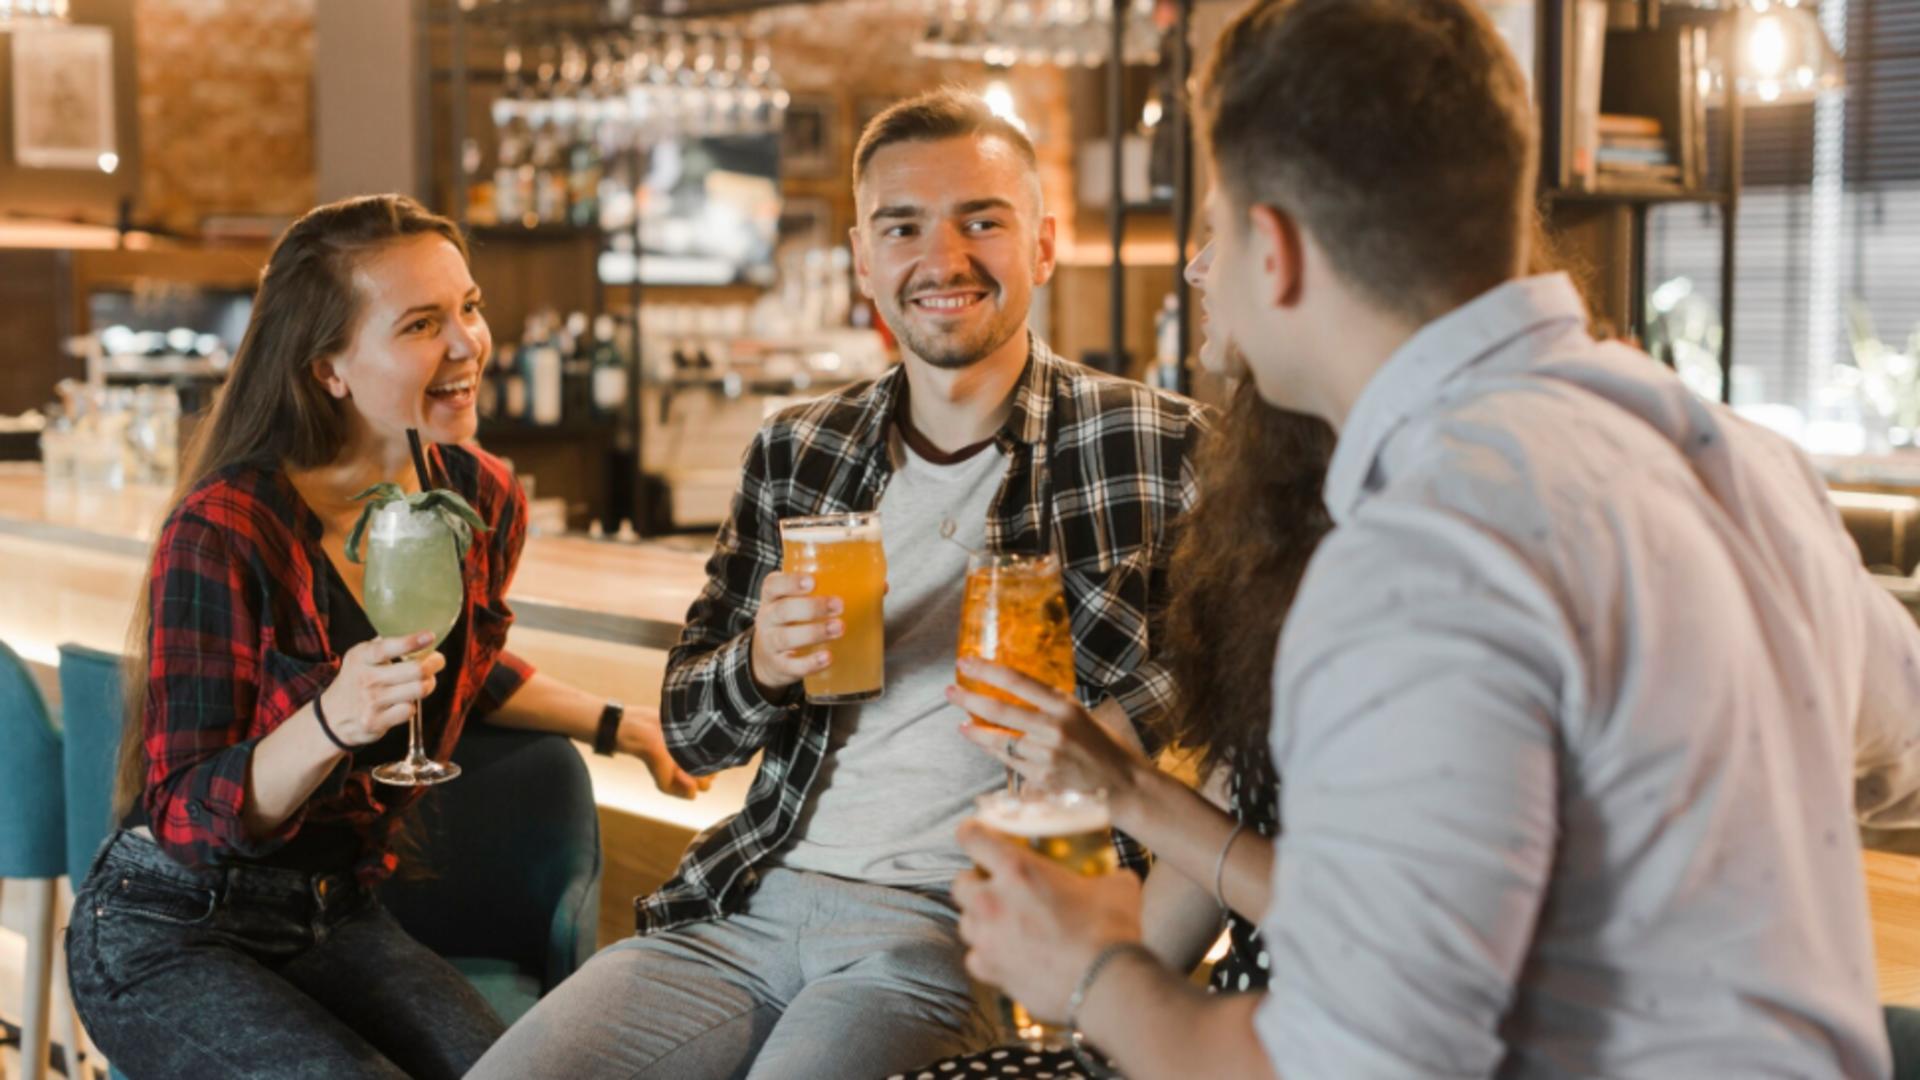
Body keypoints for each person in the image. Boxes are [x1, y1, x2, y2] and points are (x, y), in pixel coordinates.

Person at [950, 1, 1920, 1078]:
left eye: (1214, 228)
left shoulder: (1425, 551)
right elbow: (1900, 754)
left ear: (1272, 252)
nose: (1200, 269)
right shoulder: (1735, 455)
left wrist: (1088, 966)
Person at [471, 88, 1211, 1080]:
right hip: (750, 897)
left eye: (981, 221)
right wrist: (763, 664)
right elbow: (693, 728)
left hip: (965, 919)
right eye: (904, 227)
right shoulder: (800, 447)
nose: (942, 259)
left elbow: (1239, 664)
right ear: (866, 260)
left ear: (1039, 248)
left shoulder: (1156, 444)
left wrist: (1117, 730)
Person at [64, 194, 701, 1080]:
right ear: (328, 366)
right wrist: (329, 721)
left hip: (338, 911)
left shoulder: (475, 498)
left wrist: (617, 724)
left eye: (469, 308)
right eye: (420, 324)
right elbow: (181, 815)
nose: (467, 344)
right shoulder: (227, 529)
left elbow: (453, 666)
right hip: (173, 926)